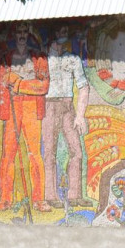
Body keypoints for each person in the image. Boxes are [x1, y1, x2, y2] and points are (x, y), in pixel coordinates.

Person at [0, 21, 51, 212]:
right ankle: (5, 199)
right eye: (18, 31)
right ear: (14, 35)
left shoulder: (38, 58)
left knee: (35, 154)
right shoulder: (6, 58)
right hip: (12, 108)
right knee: (7, 154)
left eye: (24, 32)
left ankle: (38, 200)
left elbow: (43, 86)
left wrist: (18, 83)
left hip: (31, 107)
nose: (21, 35)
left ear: (29, 35)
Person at [42, 23, 91, 209]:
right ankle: (50, 195)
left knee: (76, 151)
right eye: (61, 30)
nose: (64, 33)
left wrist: (80, 115)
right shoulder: (46, 58)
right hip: (49, 105)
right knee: (49, 153)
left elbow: (83, 86)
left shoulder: (73, 59)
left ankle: (74, 195)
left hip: (68, 106)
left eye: (65, 31)